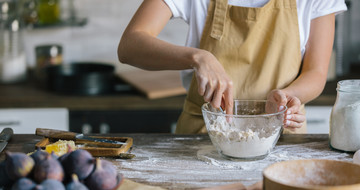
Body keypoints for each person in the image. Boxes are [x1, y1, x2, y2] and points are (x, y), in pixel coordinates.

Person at [118, 0, 347, 134]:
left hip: (280, 135)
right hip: (203, 137)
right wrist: (198, 57)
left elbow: (316, 72)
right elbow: (130, 45)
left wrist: (289, 96)